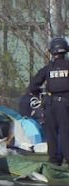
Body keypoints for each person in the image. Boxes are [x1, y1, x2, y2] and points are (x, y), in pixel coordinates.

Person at [29, 37, 69, 166]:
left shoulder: (48, 69)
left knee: (51, 133)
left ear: (52, 52)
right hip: (66, 104)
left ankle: (54, 160)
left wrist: (39, 94)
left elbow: (33, 86)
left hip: (50, 104)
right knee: (65, 132)